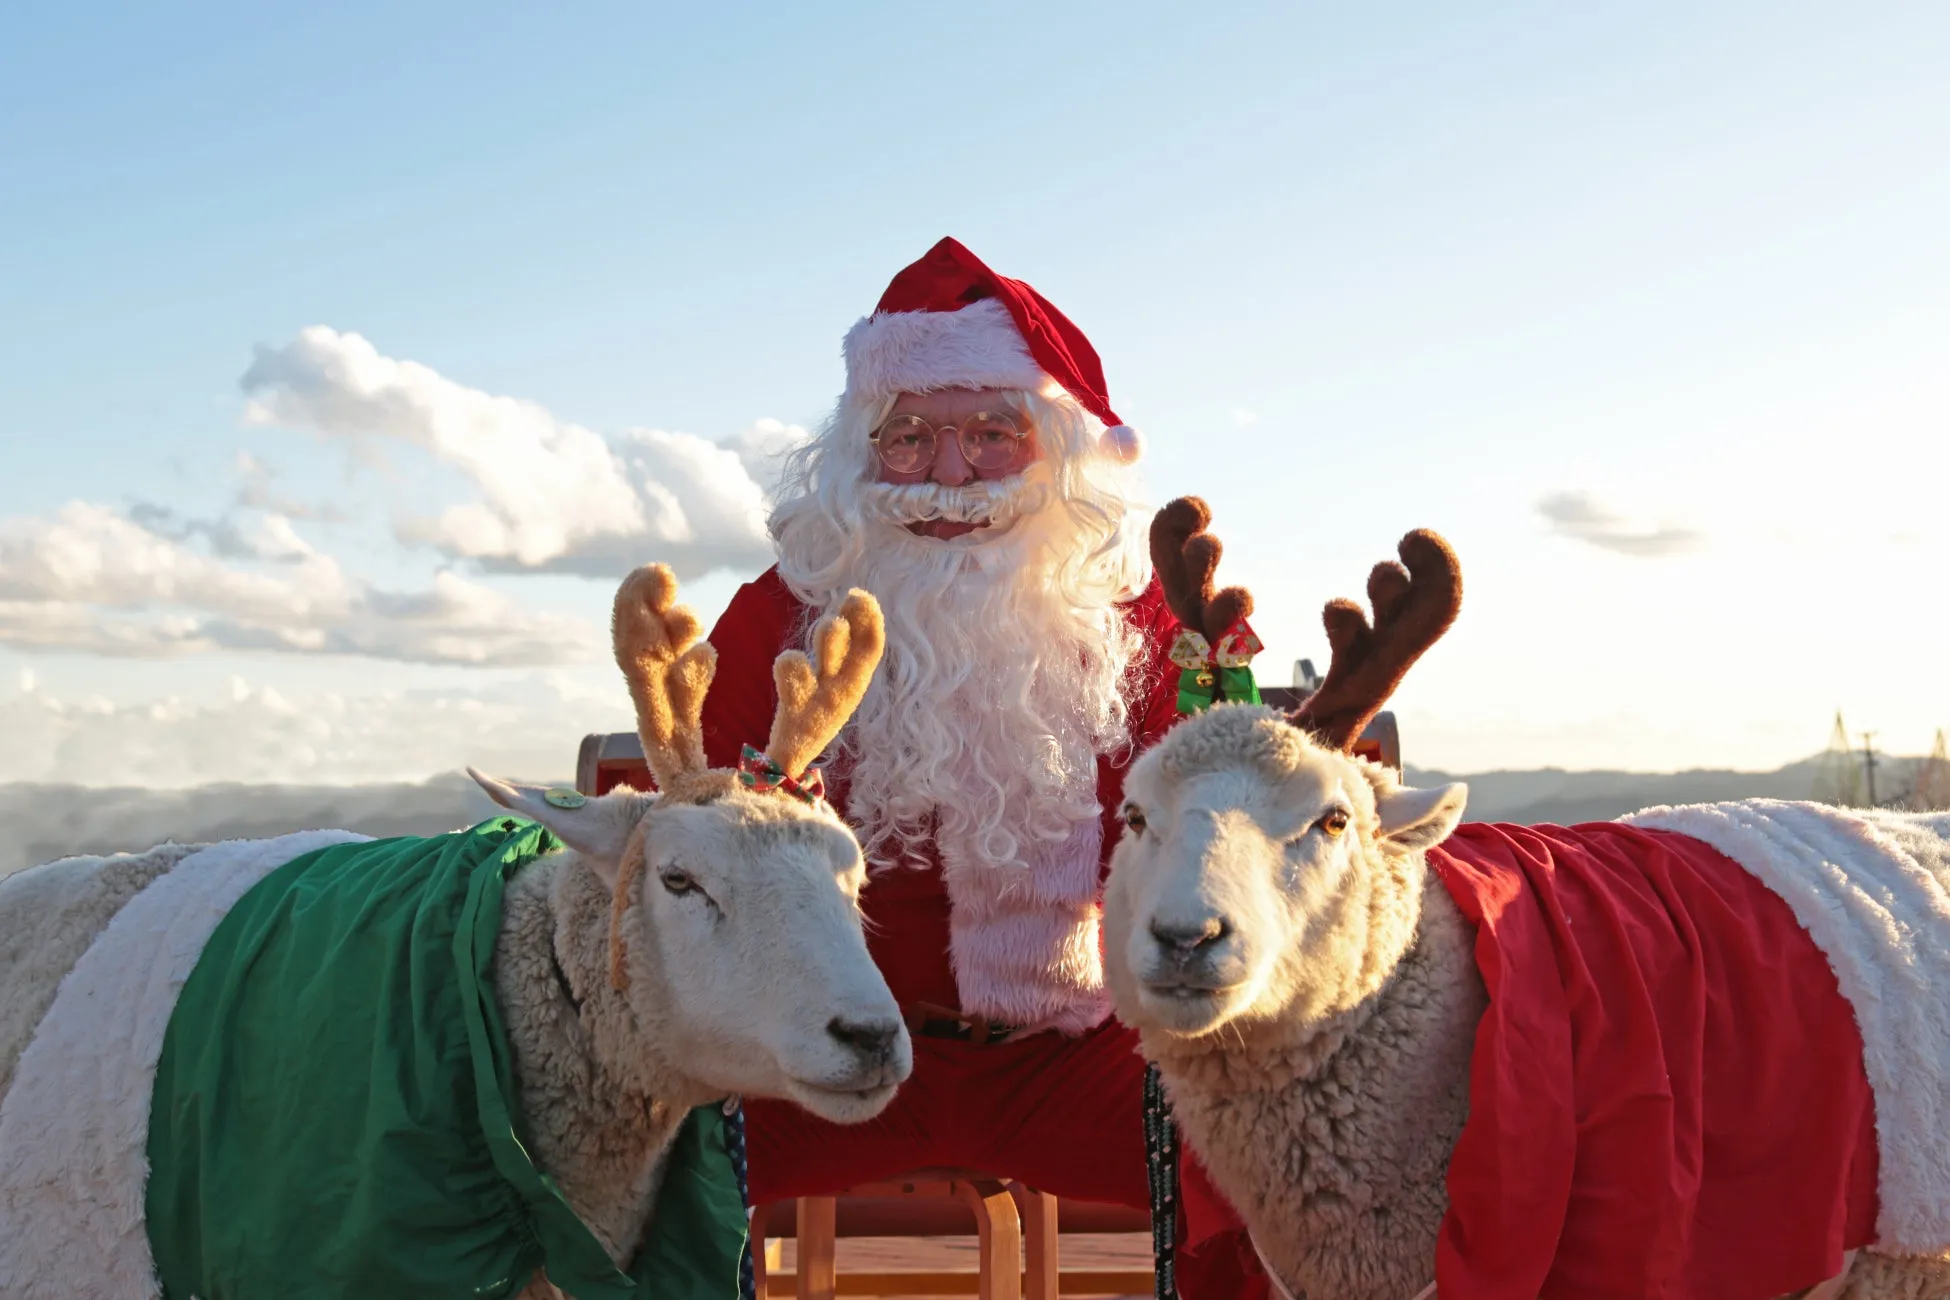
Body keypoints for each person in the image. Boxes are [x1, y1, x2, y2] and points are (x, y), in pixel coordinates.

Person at [698, 237, 1268, 1298]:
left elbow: (1226, 830)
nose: (950, 476)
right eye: (909, 438)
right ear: (860, 455)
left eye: (991, 435)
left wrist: (1227, 707)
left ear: (1053, 452)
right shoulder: (779, 616)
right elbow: (681, 838)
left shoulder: (1143, 626)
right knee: (619, 1165)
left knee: (1288, 1167)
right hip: (821, 1054)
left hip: (1081, 1053)